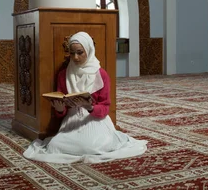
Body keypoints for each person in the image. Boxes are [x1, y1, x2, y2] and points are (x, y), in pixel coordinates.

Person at [23, 31, 147, 163]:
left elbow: (105, 107)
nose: (75, 57)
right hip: (72, 120)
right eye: (72, 53)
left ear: (89, 50)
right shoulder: (63, 74)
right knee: (55, 146)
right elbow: (62, 106)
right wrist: (59, 109)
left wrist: (90, 107)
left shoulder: (101, 74)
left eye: (80, 52)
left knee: (92, 146)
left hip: (94, 119)